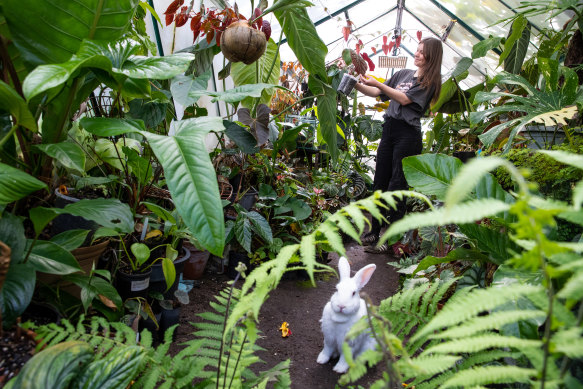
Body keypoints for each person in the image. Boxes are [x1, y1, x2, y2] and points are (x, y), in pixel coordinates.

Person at [354, 37, 443, 253]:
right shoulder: (403, 74)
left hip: (407, 134)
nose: (418, 53)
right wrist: (354, 82)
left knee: (396, 186)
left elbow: (403, 99)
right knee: (380, 182)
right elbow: (376, 93)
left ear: (432, 56)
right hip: (390, 129)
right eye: (418, 50)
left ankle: (390, 239)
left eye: (423, 51)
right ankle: (374, 232)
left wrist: (377, 83)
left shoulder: (429, 82)